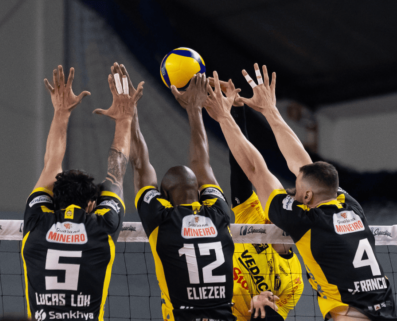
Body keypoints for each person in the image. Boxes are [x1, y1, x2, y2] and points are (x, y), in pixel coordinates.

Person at [203, 65, 396, 321]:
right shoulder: (348, 204)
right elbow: (304, 166)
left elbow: (254, 169)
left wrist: (224, 117)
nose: (292, 192)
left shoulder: (305, 221)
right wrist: (270, 111)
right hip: (386, 307)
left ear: (307, 198)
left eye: (297, 190)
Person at [21, 64, 143, 321]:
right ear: (92, 204)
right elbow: (116, 174)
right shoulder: (103, 226)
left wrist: (60, 112)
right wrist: (124, 119)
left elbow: (50, 164)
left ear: (53, 201)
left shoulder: (37, 221)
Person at [130, 71, 235, 321]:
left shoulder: (162, 219)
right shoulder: (219, 213)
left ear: (164, 196)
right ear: (199, 192)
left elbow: (140, 165)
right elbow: (202, 163)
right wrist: (194, 110)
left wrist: (129, 115)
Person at [226, 106, 304, 321]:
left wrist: (260, 306)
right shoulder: (256, 218)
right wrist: (235, 111)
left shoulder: (294, 279)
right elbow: (241, 167)